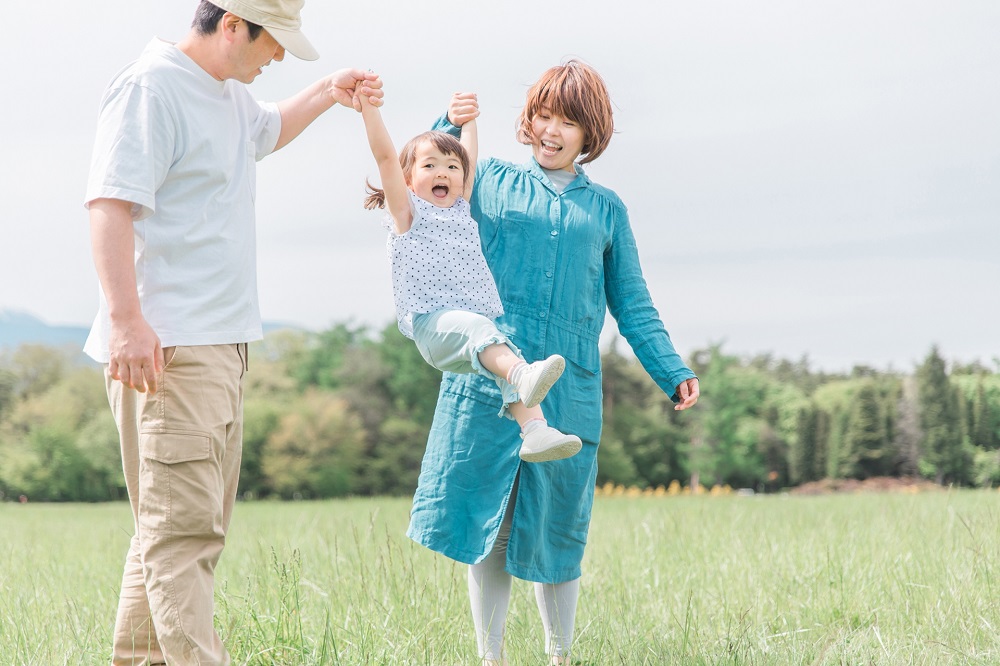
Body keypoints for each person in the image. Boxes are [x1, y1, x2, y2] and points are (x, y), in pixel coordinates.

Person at [83, 2, 382, 663]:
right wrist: (128, 323)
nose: (278, 58)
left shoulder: (224, 93)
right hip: (170, 349)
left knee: (170, 533)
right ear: (230, 25)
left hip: (219, 347)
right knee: (183, 539)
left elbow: (267, 131)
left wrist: (328, 94)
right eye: (273, 43)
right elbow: (109, 205)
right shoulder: (151, 87)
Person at [406, 61, 701, 665]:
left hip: (568, 386)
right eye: (542, 116)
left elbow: (633, 302)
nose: (551, 130)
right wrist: (450, 120)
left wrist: (671, 369)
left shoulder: (607, 210)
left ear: (590, 134)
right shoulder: (487, 179)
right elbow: (429, 177)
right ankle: (492, 659)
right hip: (492, 372)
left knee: (557, 531)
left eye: (567, 121)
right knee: (489, 525)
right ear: (527, 120)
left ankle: (559, 658)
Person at [357, 85, 582, 463]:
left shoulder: (461, 208)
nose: (442, 173)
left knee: (502, 352)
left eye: (450, 167)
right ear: (408, 179)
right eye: (429, 166)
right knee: (497, 348)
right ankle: (524, 377)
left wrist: (470, 122)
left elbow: (470, 159)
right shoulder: (408, 215)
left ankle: (535, 432)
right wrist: (368, 109)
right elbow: (384, 157)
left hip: (466, 335)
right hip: (434, 327)